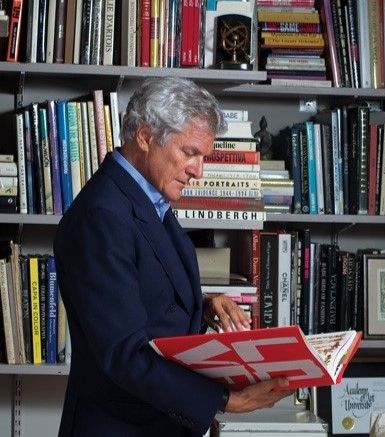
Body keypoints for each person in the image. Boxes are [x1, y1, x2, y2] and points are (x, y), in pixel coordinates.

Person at [54, 77, 294, 437]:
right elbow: (124, 352)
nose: (199, 171)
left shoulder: (148, 201)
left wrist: (206, 304)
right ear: (146, 136)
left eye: (204, 157)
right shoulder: (101, 215)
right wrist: (226, 400)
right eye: (190, 153)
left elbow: (141, 292)